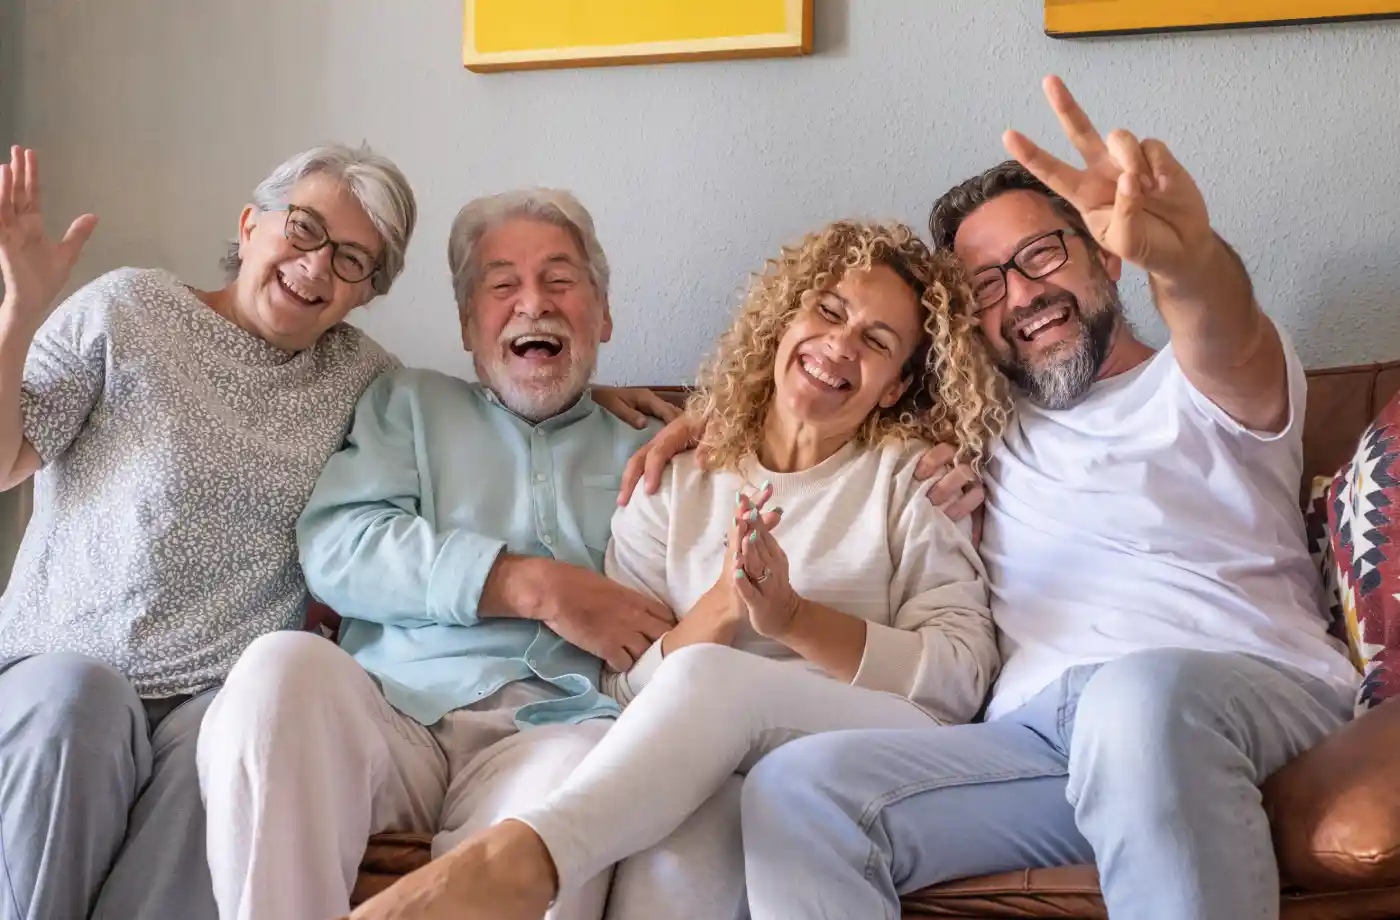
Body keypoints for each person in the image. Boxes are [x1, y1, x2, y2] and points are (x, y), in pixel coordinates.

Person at [625, 77, 1359, 920]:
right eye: (985, 286)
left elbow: (1218, 322)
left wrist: (1186, 260)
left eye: (1042, 255)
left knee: (1136, 701)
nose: (1021, 294)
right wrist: (709, 420)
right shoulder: (977, 431)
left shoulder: (1204, 385)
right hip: (1042, 744)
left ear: (1107, 256)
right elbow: (825, 393)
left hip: (1239, 699)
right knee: (799, 790)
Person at [0, 147, 665, 920]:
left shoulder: (361, 377)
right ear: (250, 224)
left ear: (364, 293)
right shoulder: (129, 309)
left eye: (352, 259)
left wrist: (585, 402)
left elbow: (513, 395)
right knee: (85, 702)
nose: (317, 266)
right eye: (304, 229)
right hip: (70, 664)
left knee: (234, 742)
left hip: (213, 696)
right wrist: (18, 313)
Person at [343, 218, 1010, 920]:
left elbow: (960, 680)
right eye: (829, 311)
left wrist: (793, 620)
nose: (841, 345)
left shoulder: (916, 481)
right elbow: (623, 690)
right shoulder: (672, 479)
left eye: (876, 341)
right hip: (715, 770)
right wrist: (722, 606)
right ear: (784, 321)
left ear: (895, 386)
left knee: (710, 676)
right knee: (667, 868)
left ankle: (521, 862)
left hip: (869, 750)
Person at [196, 188, 696, 920]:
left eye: (560, 281)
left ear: (604, 316)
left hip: (553, 729)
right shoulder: (407, 405)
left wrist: (716, 419)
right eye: (502, 285)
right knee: (278, 668)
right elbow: (339, 546)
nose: (534, 303)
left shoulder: (657, 451)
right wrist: (528, 584)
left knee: (579, 780)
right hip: (390, 715)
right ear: (467, 324)